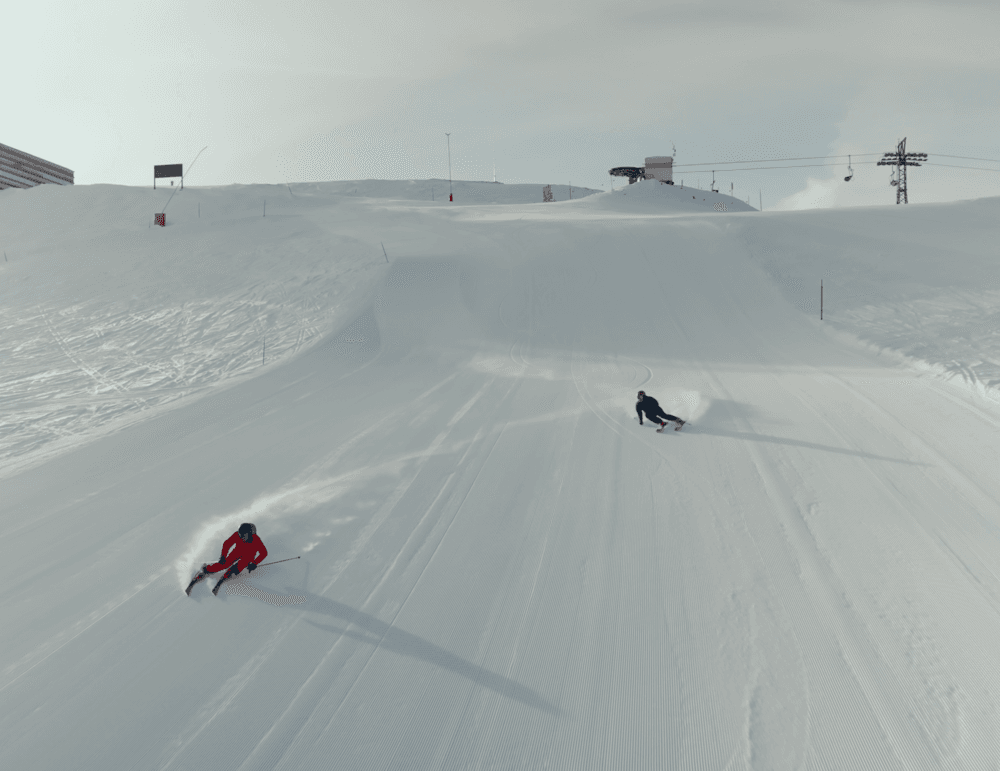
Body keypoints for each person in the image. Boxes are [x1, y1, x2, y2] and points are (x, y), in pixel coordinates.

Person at [186, 522, 268, 596]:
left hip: (249, 556)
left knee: (242, 564)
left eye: (244, 534)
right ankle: (207, 569)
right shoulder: (237, 535)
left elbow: (264, 553)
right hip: (237, 552)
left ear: (250, 534)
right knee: (224, 564)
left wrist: (254, 563)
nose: (241, 536)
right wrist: (223, 556)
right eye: (240, 534)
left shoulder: (256, 540)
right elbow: (227, 544)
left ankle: (229, 574)